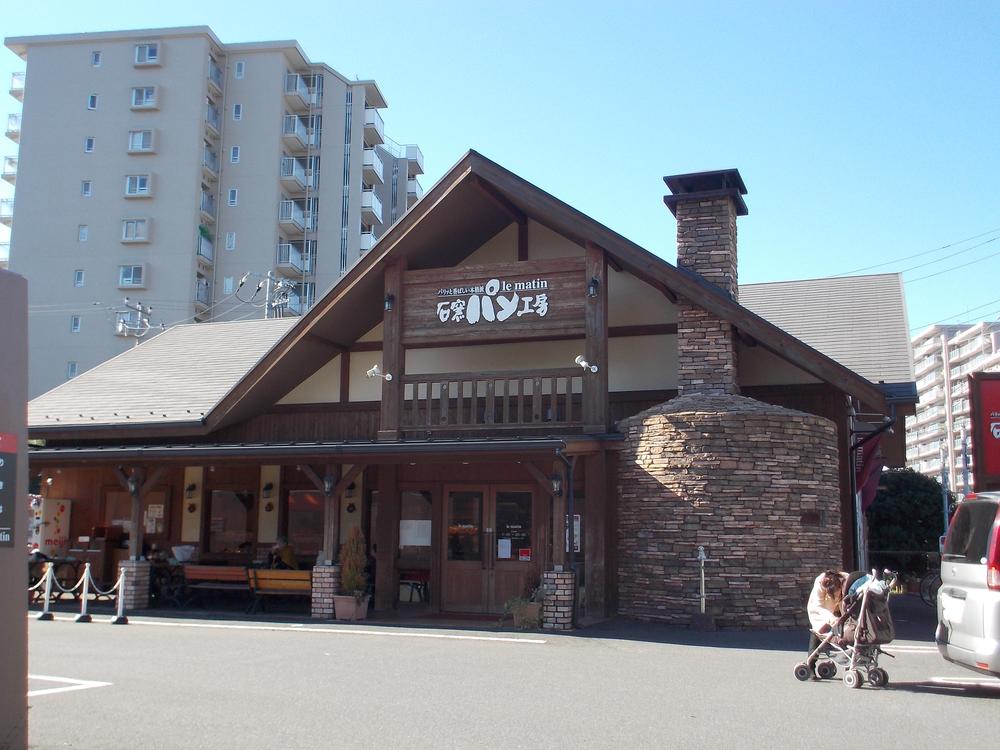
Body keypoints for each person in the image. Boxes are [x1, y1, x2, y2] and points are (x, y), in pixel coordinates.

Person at [806, 569, 847, 667]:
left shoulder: (845, 578)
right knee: (818, 632)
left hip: (842, 607)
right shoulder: (820, 582)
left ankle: (846, 663)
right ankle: (811, 664)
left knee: (845, 634)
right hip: (822, 608)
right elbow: (818, 606)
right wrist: (831, 619)